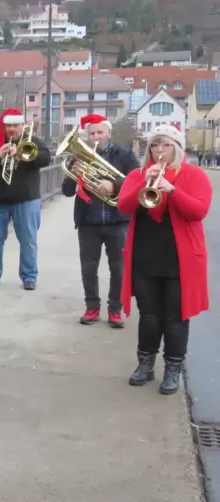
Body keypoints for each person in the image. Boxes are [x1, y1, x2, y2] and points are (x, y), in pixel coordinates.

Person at [118, 125, 211, 395]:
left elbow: (199, 211)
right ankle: (145, 366)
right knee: (149, 316)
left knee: (175, 317)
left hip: (180, 260)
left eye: (166, 145)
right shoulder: (138, 174)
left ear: (178, 148)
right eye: (155, 145)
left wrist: (172, 190)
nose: (160, 151)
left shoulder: (193, 174)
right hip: (145, 257)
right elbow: (123, 206)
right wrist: (141, 183)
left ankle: (172, 369)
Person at [61, 114, 140, 328]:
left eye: (100, 133)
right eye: (92, 133)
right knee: (88, 268)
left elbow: (137, 180)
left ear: (109, 133)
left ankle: (115, 309)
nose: (96, 137)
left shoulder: (125, 155)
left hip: (118, 220)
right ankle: (92, 307)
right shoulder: (78, 158)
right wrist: (73, 175)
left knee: (118, 268)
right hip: (88, 221)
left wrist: (114, 185)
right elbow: (67, 192)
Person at [0, 108, 51, 290]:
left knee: (28, 241)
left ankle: (29, 277)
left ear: (22, 125)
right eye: (8, 125)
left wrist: (24, 155)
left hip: (26, 201)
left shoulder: (32, 141)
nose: (12, 129)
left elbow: (46, 158)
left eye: (15, 125)